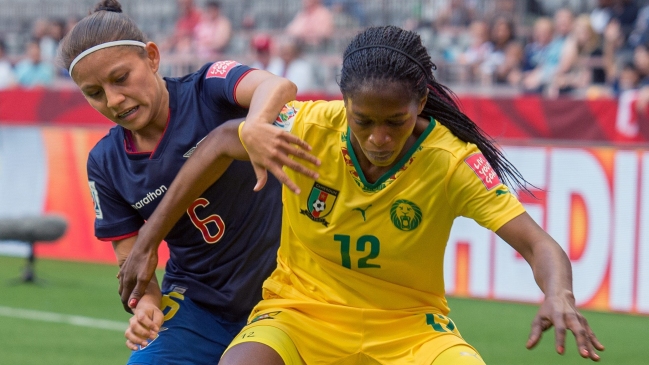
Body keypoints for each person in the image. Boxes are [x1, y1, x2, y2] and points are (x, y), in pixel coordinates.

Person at [118, 25, 605, 364]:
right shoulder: (310, 126)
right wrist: (145, 245)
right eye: (363, 120)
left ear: (420, 104)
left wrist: (559, 293)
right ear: (344, 102)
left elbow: (539, 244)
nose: (378, 138)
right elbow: (220, 142)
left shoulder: (451, 161)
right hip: (297, 314)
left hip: (409, 329)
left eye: (395, 122)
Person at [56, 1, 313, 364]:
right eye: (94, 93)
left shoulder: (209, 87)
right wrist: (146, 306)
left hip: (284, 292)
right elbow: (132, 259)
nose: (113, 100)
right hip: (198, 305)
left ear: (152, 57)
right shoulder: (104, 161)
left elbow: (276, 85)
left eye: (120, 78)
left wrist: (255, 126)